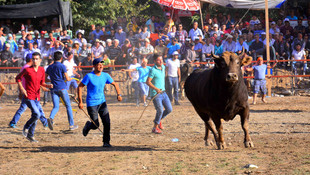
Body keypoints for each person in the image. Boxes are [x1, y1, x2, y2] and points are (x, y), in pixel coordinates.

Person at [77, 58, 122, 147]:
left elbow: (115, 84)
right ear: (94, 66)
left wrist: (119, 94)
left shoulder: (105, 75)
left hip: (102, 102)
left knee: (107, 122)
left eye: (102, 64)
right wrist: (80, 102)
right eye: (98, 64)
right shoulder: (89, 76)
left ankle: (106, 142)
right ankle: (88, 125)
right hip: (91, 103)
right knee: (95, 125)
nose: (101, 66)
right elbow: (80, 87)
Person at [16, 52, 53, 142]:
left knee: (35, 116)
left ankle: (30, 135)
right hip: (28, 96)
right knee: (37, 114)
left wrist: (47, 86)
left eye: (37, 59)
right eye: (33, 59)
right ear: (31, 60)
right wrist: (22, 89)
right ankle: (26, 127)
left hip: (37, 96)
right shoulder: (27, 70)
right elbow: (18, 78)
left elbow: (42, 83)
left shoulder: (41, 70)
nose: (35, 60)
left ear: (40, 60)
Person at [46, 51, 78, 131]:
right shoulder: (62, 66)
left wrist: (52, 81)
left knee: (56, 106)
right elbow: (67, 78)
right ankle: (71, 125)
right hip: (62, 88)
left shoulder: (49, 67)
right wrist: (71, 78)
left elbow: (45, 78)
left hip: (53, 88)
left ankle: (51, 118)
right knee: (68, 106)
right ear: (61, 58)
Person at [146, 55, 172, 134]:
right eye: (158, 60)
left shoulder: (163, 67)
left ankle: (158, 120)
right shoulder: (153, 70)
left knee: (169, 109)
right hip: (156, 94)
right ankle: (155, 127)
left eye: (161, 60)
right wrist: (156, 89)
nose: (161, 61)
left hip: (163, 92)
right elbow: (148, 82)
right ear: (154, 61)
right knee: (160, 110)